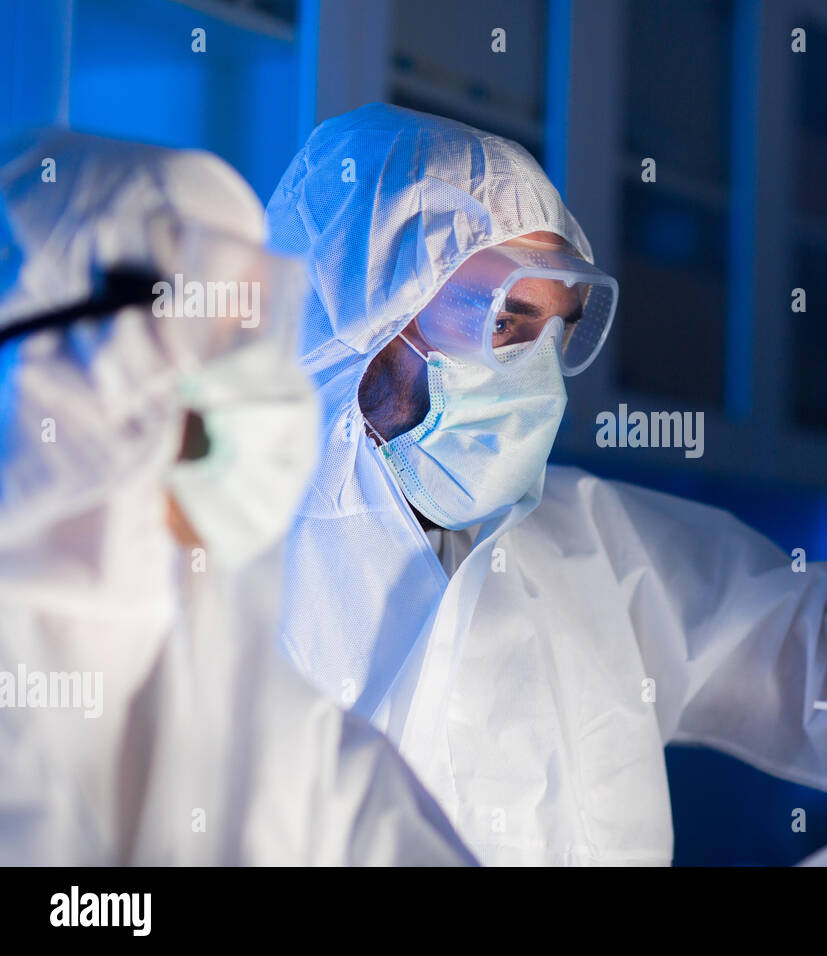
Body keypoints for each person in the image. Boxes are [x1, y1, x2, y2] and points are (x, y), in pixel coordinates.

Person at [268, 103, 827, 866]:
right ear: (359, 314)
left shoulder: (593, 550)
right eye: (508, 319)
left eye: (558, 329)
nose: (539, 372)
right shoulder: (207, 589)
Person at [0, 129, 474, 865]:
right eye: (203, 332)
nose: (253, 392)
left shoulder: (292, 750)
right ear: (39, 362)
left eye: (249, 333)